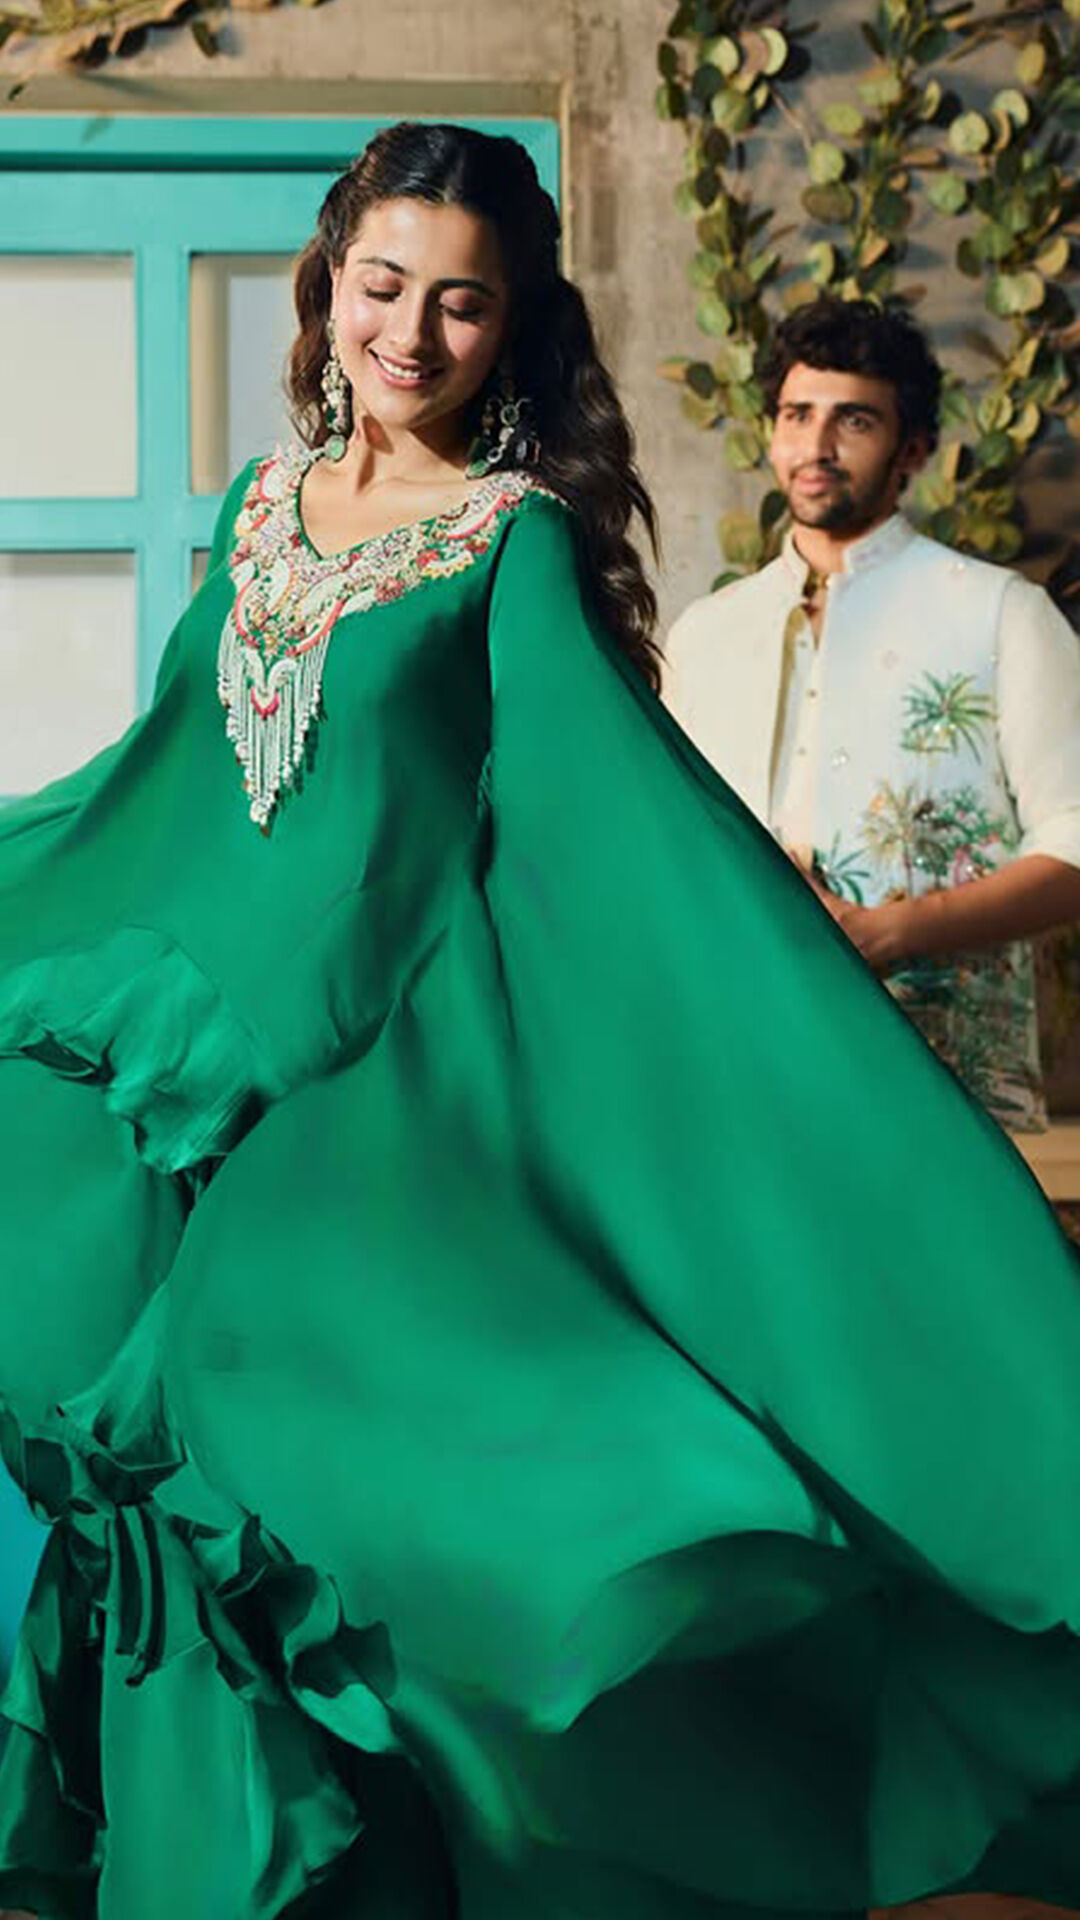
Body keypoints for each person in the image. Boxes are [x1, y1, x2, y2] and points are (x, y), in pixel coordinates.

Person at [2, 126, 1080, 1920]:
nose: (411, 333)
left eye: (463, 304)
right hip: (210, 1085)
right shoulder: (254, 508)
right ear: (328, 273)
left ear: (515, 329)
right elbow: (171, 786)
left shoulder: (509, 542)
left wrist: (820, 1014)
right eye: (382, 286)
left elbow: (611, 828)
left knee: (369, 1503)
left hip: (378, 1104)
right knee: (172, 1480)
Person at [664, 297, 1080, 1131]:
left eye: (852, 420)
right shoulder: (706, 635)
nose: (815, 447)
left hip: (944, 1080)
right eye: (797, 415)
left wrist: (895, 931)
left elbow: (1075, 846)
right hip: (737, 1067)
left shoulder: (1000, 612)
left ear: (912, 450)